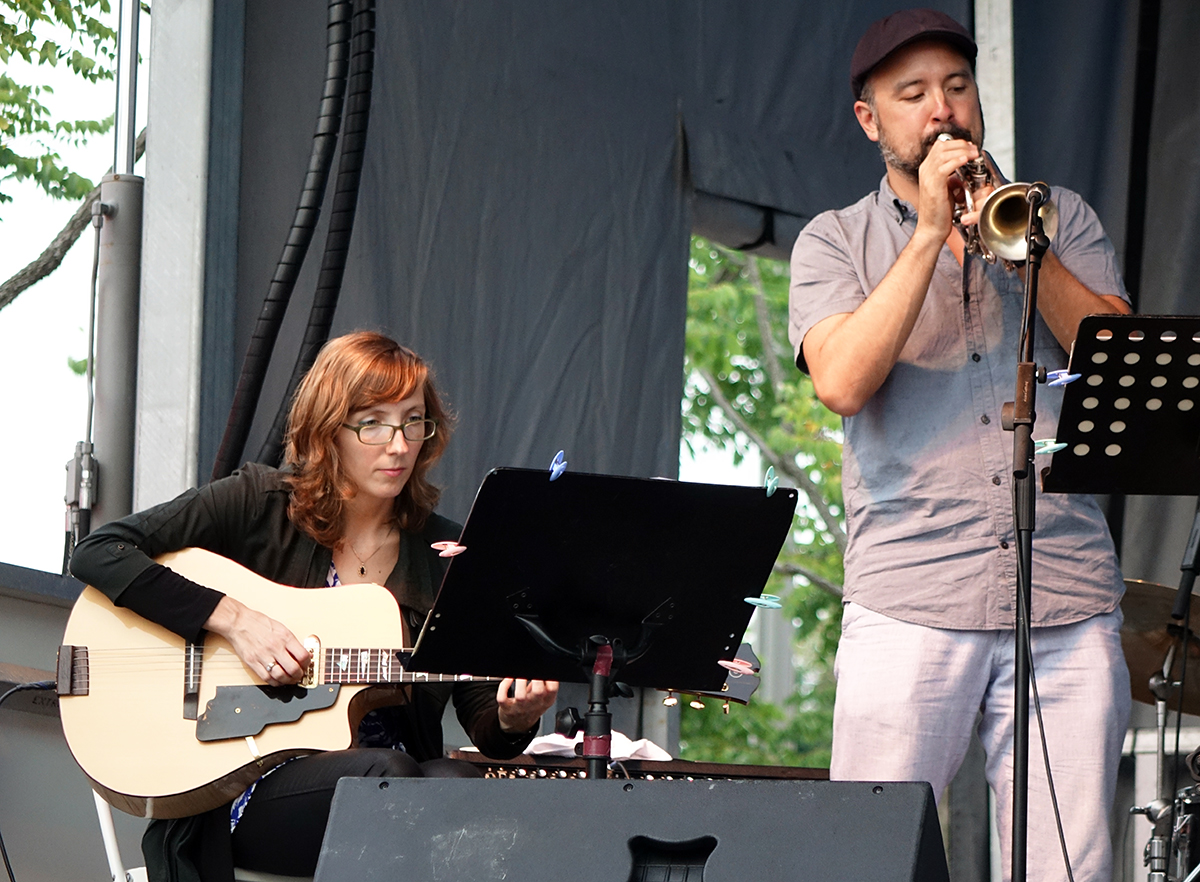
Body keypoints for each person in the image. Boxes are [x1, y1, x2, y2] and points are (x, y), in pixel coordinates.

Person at [787, 9, 1131, 882]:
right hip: (911, 593)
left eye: (956, 86)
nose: (942, 110)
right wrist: (933, 232)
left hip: (1064, 595)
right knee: (866, 864)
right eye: (913, 94)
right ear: (872, 120)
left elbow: (1115, 357)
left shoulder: (1062, 216)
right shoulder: (834, 241)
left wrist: (1024, 247)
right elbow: (842, 382)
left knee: (1072, 872)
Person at [70, 331, 559, 881]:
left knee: (460, 784)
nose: (398, 445)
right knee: (387, 776)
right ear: (328, 430)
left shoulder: (448, 553)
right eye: (372, 422)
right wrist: (235, 619)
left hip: (399, 792)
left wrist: (514, 714)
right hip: (248, 788)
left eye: (414, 421)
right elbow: (99, 551)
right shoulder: (259, 503)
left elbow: (480, 710)